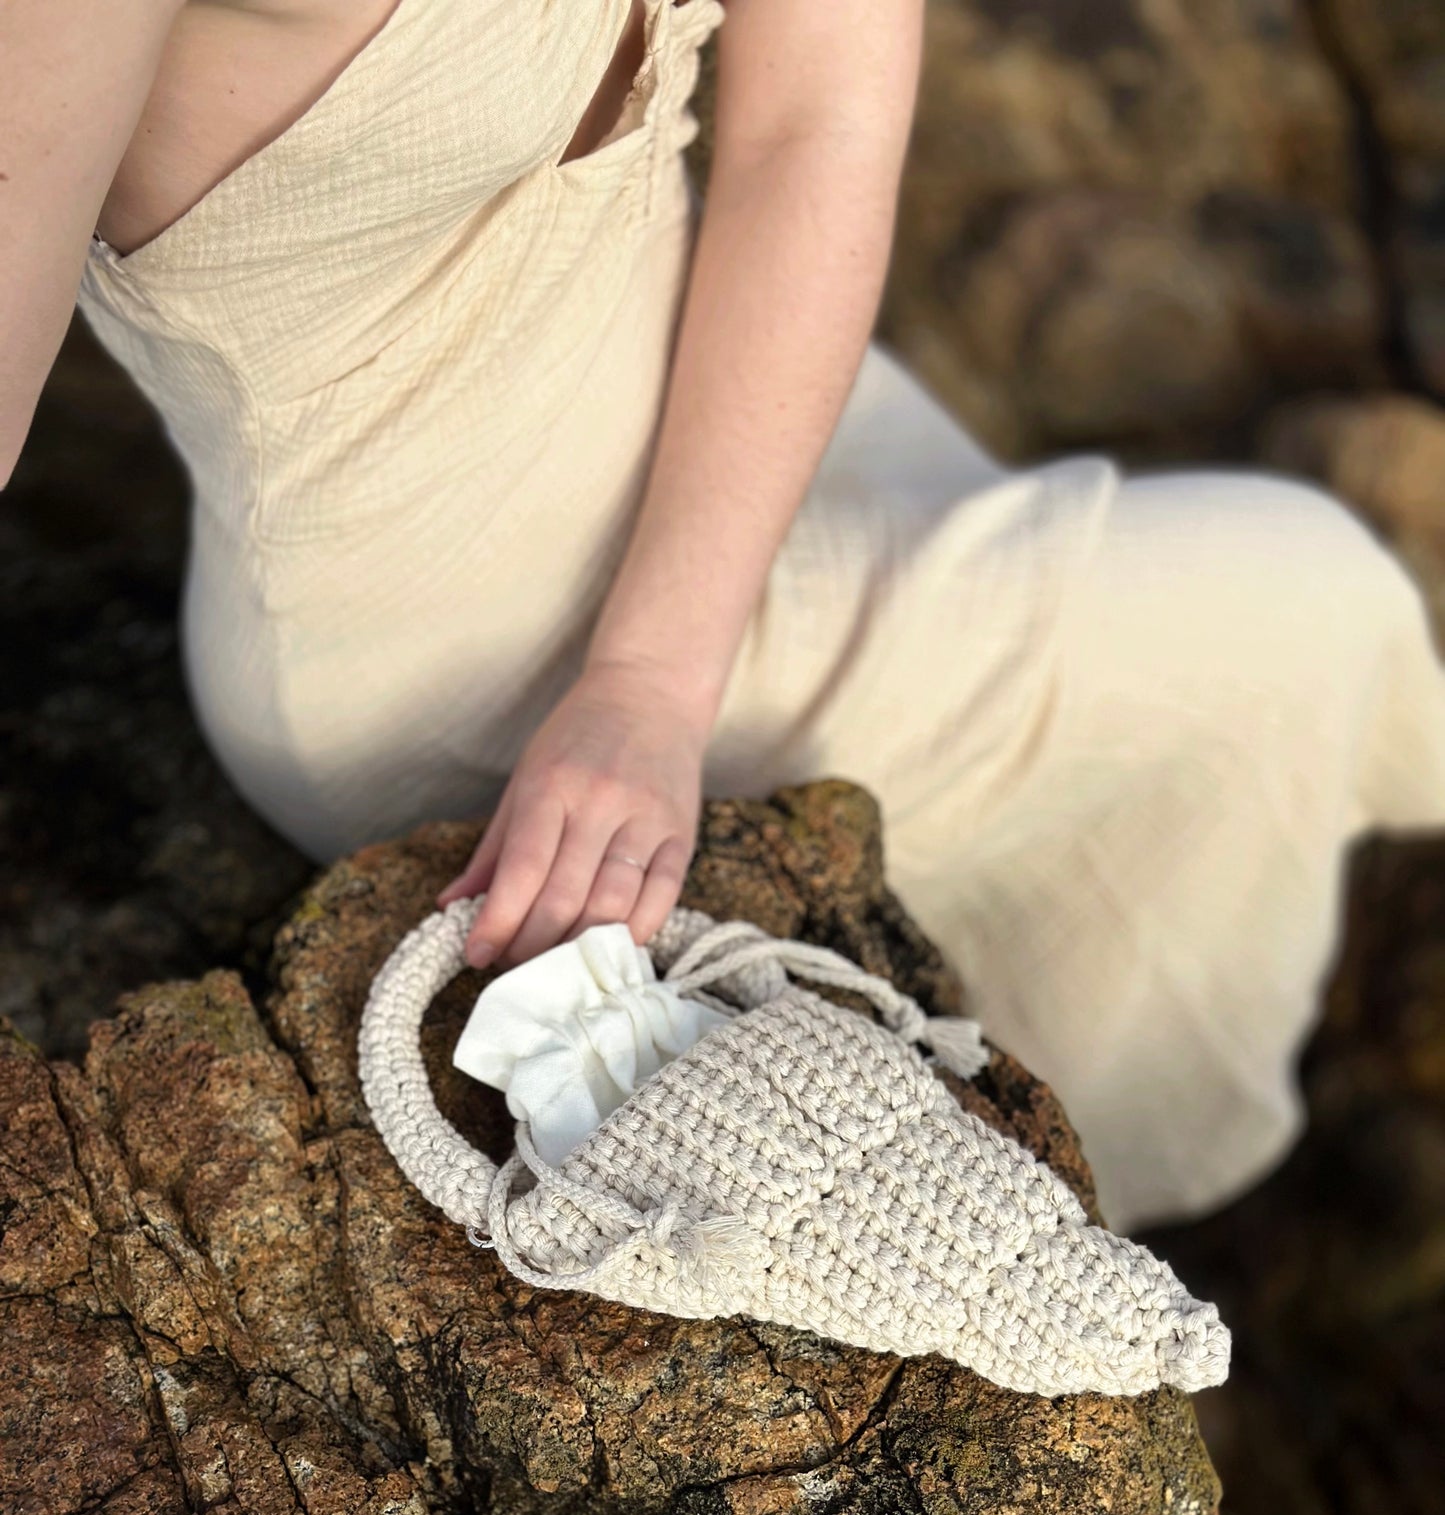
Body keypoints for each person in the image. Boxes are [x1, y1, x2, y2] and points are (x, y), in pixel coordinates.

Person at [6, 0, 1445, 1234]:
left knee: (1275, 607)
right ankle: (1019, 1179)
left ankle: (1004, 1154)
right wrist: (626, 688)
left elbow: (805, 135)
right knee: (1294, 593)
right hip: (451, 635)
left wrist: (654, 670)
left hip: (735, 430)